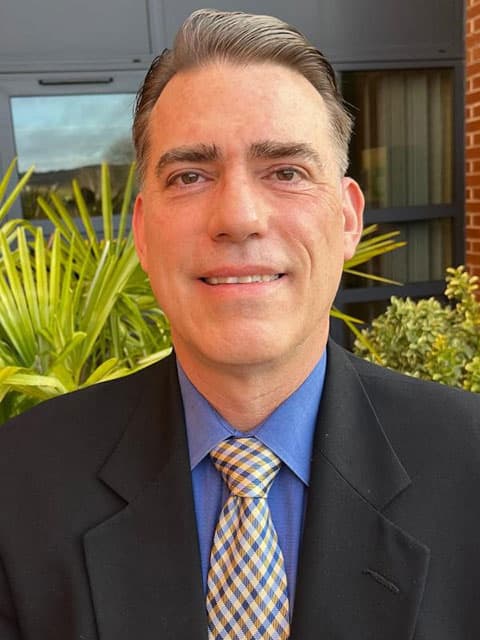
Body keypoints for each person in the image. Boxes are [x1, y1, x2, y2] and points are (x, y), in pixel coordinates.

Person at [0, 8, 479, 640]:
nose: (239, 216)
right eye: (191, 175)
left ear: (345, 220)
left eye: (286, 171)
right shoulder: (20, 487)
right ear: (142, 231)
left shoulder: (470, 467)